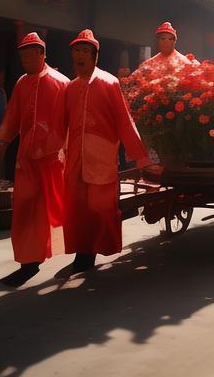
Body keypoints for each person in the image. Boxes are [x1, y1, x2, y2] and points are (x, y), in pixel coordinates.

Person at [63, 29, 158, 273]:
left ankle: (93, 252)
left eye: (85, 51)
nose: (79, 56)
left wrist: (141, 158)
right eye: (76, 51)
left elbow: (124, 122)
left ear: (95, 56)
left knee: (99, 208)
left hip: (101, 157)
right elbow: (60, 123)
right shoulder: (70, 88)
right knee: (78, 207)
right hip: (76, 157)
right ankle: (82, 254)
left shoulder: (109, 82)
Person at [0, 33, 69, 287]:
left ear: (41, 53)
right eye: (21, 55)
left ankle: (74, 251)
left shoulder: (60, 83)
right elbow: (12, 116)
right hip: (26, 159)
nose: (24, 59)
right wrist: (1, 142)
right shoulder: (22, 83)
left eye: (28, 54)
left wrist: (53, 147)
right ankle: (28, 262)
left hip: (51, 160)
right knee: (25, 208)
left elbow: (67, 124)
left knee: (54, 210)